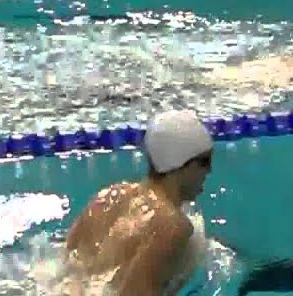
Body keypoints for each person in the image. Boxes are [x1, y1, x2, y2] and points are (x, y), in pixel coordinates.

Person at [61, 110, 214, 295]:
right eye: (205, 161)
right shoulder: (172, 226)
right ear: (181, 164)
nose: (209, 170)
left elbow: (64, 267)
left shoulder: (109, 195)